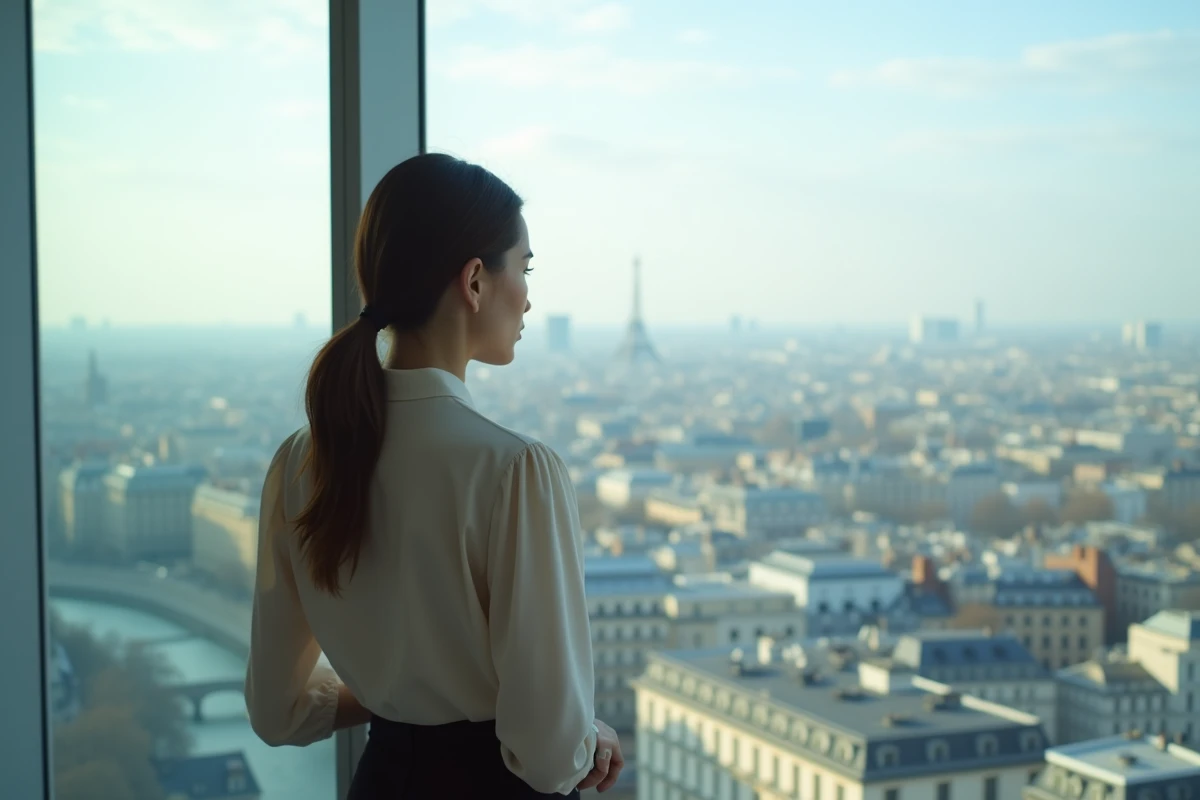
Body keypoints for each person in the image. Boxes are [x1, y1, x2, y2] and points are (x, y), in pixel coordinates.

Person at [244, 153, 623, 797]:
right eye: (524, 269)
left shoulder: (301, 461)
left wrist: (396, 692)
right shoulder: (516, 470)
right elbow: (551, 753)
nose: (529, 296)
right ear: (474, 281)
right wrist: (590, 737)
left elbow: (277, 711)